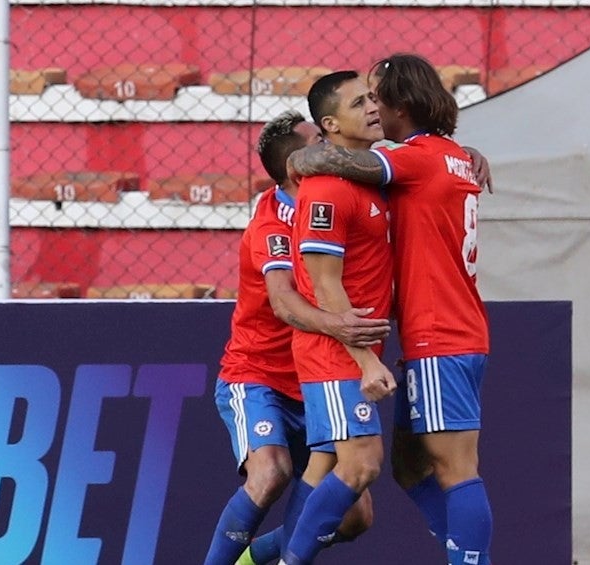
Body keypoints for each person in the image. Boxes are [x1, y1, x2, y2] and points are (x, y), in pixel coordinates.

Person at [286, 53, 493, 565]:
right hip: (450, 329)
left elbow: (337, 162)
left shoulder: (416, 159)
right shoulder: (452, 156)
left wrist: (303, 157)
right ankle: (461, 552)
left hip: (440, 335)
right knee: (410, 467)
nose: (374, 107)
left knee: (455, 468)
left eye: (376, 96)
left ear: (400, 104)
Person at [204, 110, 388, 565]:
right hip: (258, 376)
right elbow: (285, 304)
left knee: (354, 517)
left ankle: (254, 559)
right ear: (296, 167)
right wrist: (344, 327)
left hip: (315, 378)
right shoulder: (271, 225)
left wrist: (460, 154)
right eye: (319, 144)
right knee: (271, 473)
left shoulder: (336, 197)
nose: (331, 146)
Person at [278, 70, 396, 565]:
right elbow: (325, 285)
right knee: (362, 465)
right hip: (335, 356)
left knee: (336, 484)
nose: (372, 107)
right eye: (358, 103)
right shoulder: (326, 190)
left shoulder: (364, 176)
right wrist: (365, 360)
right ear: (329, 124)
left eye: (372, 98)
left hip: (350, 354)